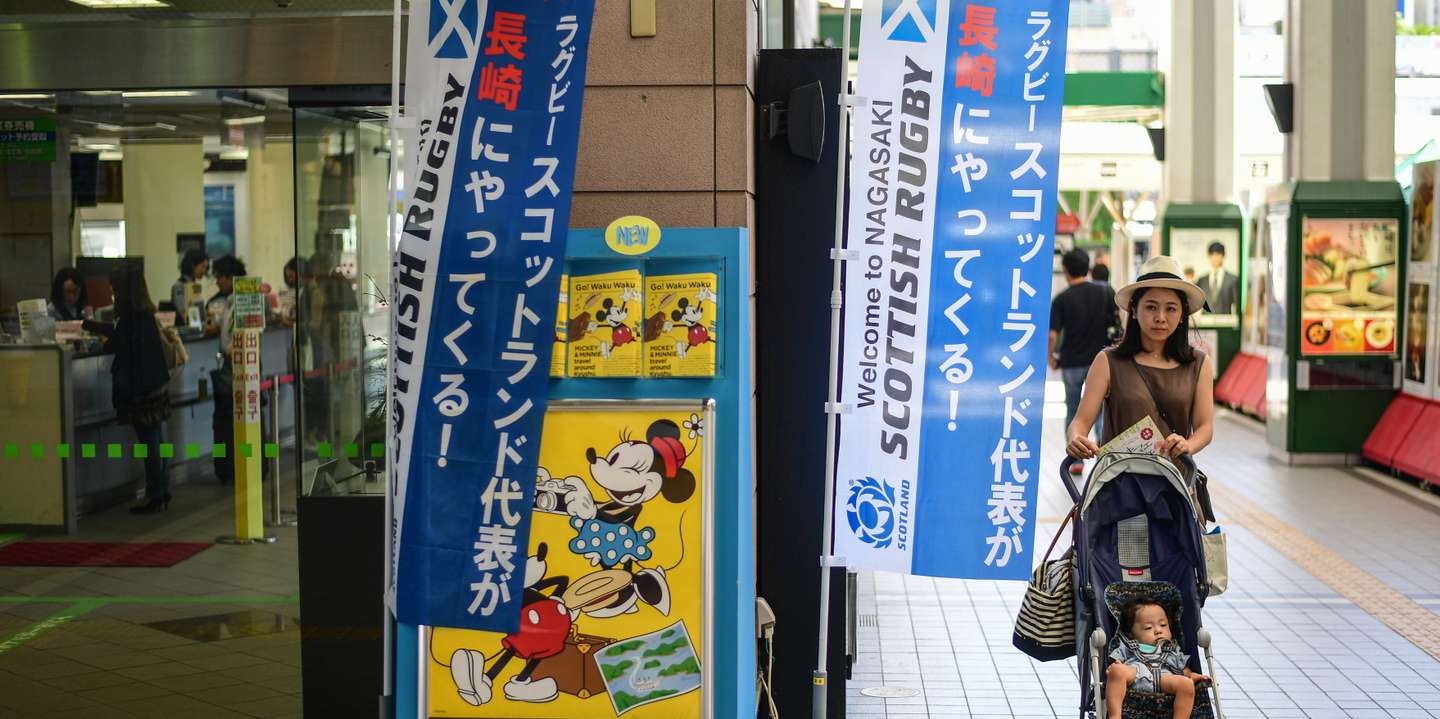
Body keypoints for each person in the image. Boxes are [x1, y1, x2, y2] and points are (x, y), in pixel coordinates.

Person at [1065, 255, 1216, 466]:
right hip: (1116, 487)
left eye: (1171, 308)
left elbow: (1205, 427)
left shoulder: (1199, 364)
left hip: (1173, 487)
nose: (1161, 317)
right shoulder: (1108, 361)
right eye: (1151, 307)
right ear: (1134, 310)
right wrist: (1077, 439)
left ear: (1182, 314)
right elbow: (1080, 421)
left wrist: (1187, 445)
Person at [88, 269, 172, 513]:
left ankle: (155, 495)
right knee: (157, 440)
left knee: (150, 442)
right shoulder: (145, 313)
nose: (112, 293)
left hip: (141, 389)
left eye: (114, 288)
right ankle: (162, 491)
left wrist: (99, 334)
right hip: (155, 384)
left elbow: (117, 343)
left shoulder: (130, 317)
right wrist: (89, 324)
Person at [1049, 249, 1119, 473]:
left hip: (1070, 362)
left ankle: (1076, 460)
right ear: (1087, 269)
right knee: (1100, 410)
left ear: (1067, 272)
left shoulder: (1062, 299)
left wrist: (1051, 357)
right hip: (1101, 363)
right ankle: (1104, 460)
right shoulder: (1104, 292)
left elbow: (1052, 335)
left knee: (1073, 410)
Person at [1105, 599, 1210, 718]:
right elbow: (1116, 661)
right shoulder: (1128, 645)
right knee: (1117, 670)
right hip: (1136, 673)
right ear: (1131, 633)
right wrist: (1115, 667)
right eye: (1148, 628)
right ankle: (1115, 715)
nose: (1158, 630)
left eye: (1163, 625)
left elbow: (1182, 668)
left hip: (1164, 677)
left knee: (1186, 684)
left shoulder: (1171, 649)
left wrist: (1191, 675)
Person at [209, 255, 247, 483]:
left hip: (235, 367)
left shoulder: (237, 302)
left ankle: (230, 467)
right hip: (235, 365)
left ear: (231, 277)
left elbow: (233, 340)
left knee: (229, 418)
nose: (217, 282)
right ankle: (233, 466)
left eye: (220, 277)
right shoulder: (233, 301)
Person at [1195, 242, 1238, 314]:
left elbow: (1237, 304)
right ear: (1209, 257)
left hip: (1225, 321)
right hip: (1206, 322)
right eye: (1212, 255)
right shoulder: (1202, 280)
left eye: (1218, 254)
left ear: (1223, 256)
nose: (1215, 258)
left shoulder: (1233, 279)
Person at [170, 249, 209, 321]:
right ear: (192, 265)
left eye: (205, 268)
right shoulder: (179, 286)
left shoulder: (194, 285)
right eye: (202, 267)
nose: (204, 271)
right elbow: (184, 313)